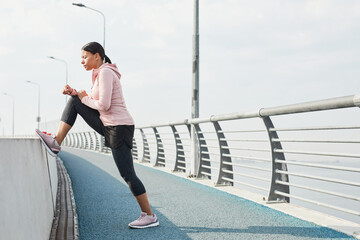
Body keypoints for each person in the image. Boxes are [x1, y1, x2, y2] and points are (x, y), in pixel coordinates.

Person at [35, 42, 159, 229]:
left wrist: (83, 98)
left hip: (119, 127)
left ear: (97, 56)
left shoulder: (106, 73)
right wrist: (77, 94)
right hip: (109, 124)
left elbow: (104, 105)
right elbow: (93, 102)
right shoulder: (100, 73)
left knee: (127, 174)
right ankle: (56, 142)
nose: (82, 61)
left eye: (85, 57)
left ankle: (149, 216)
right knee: (75, 101)